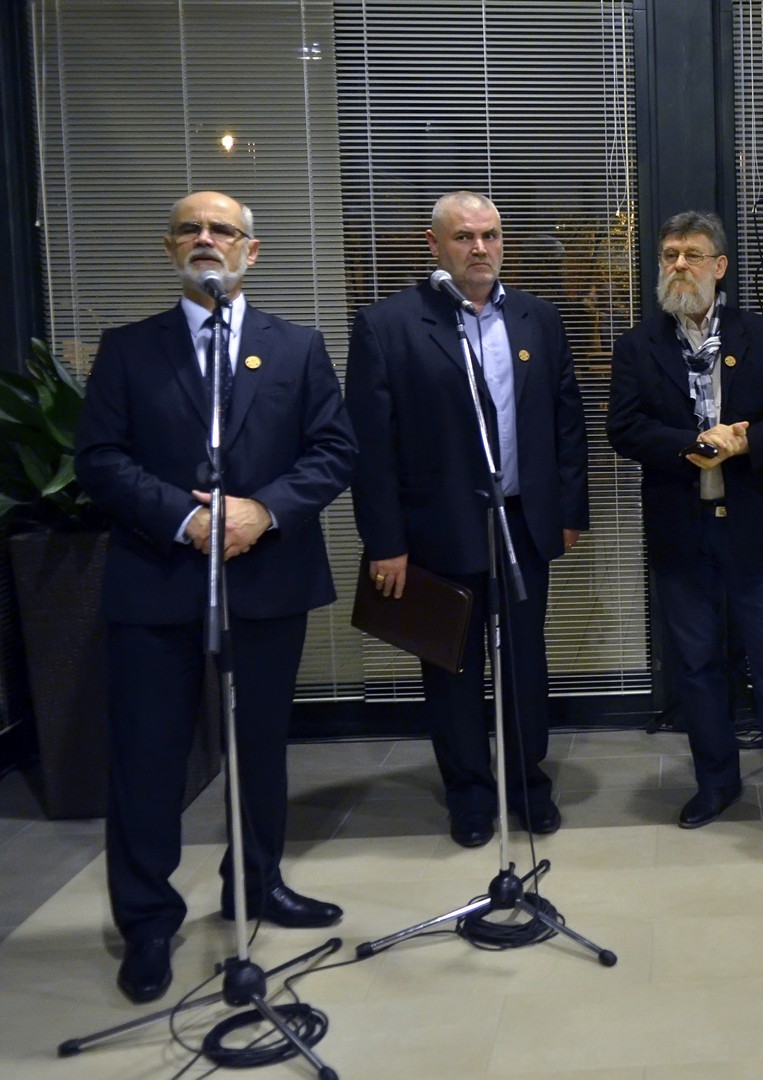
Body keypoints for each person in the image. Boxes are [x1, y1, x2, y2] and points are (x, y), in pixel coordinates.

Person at [76, 191, 356, 1003]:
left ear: (250, 251)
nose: (207, 239)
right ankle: (147, 921)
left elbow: (334, 451)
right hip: (157, 580)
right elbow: (100, 458)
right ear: (171, 250)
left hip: (267, 578)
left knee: (260, 746)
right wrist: (186, 519)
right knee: (148, 757)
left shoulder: (296, 347)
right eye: (190, 230)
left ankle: (256, 885)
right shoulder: (129, 349)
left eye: (222, 230)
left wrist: (261, 511)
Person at [605, 210, 763, 856]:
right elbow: (623, 428)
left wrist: (743, 442)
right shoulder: (638, 345)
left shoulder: (762, 336)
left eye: (693, 255)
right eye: (670, 254)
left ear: (720, 267)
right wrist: (691, 445)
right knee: (696, 667)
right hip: (680, 532)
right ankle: (716, 783)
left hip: (753, 531)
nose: (679, 265)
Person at [347, 191, 589, 847]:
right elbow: (371, 448)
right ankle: (470, 794)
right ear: (435, 245)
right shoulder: (388, 326)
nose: (480, 248)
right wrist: (386, 542)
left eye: (491, 235)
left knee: (524, 661)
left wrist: (568, 510)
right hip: (438, 528)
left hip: (523, 525)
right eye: (464, 237)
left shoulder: (538, 318)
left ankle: (526, 782)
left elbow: (566, 419)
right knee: (451, 668)